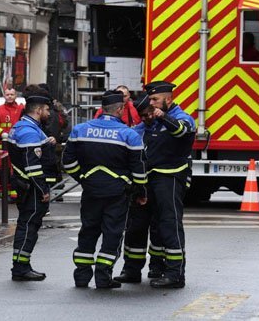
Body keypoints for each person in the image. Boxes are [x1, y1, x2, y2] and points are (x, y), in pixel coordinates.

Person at [62, 90, 147, 289]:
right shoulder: (129, 135)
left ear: (102, 109)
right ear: (120, 109)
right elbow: (139, 169)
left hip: (91, 191)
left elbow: (67, 162)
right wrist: (140, 191)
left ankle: (81, 277)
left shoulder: (80, 130)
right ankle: (103, 276)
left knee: (88, 231)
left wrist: (83, 178)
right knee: (113, 234)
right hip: (117, 193)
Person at [143, 80, 195, 289]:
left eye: (155, 99)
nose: (152, 103)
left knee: (170, 223)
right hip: (152, 177)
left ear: (168, 99)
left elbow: (181, 131)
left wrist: (164, 117)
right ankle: (156, 266)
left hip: (170, 178)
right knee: (155, 225)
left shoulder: (183, 118)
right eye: (151, 100)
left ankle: (175, 273)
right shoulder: (154, 120)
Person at [3, 86, 55, 281]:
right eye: (47, 110)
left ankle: (22, 264)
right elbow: (33, 165)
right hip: (32, 188)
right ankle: (20, 267)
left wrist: (47, 142)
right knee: (28, 227)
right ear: (39, 109)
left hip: (26, 186)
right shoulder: (29, 131)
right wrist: (43, 190)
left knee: (27, 225)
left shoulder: (25, 127)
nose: (49, 113)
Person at [114, 95, 165, 284]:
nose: (145, 118)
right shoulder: (136, 132)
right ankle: (131, 270)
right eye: (142, 116)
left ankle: (157, 267)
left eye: (148, 114)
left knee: (159, 229)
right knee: (135, 229)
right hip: (139, 187)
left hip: (161, 186)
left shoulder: (167, 128)